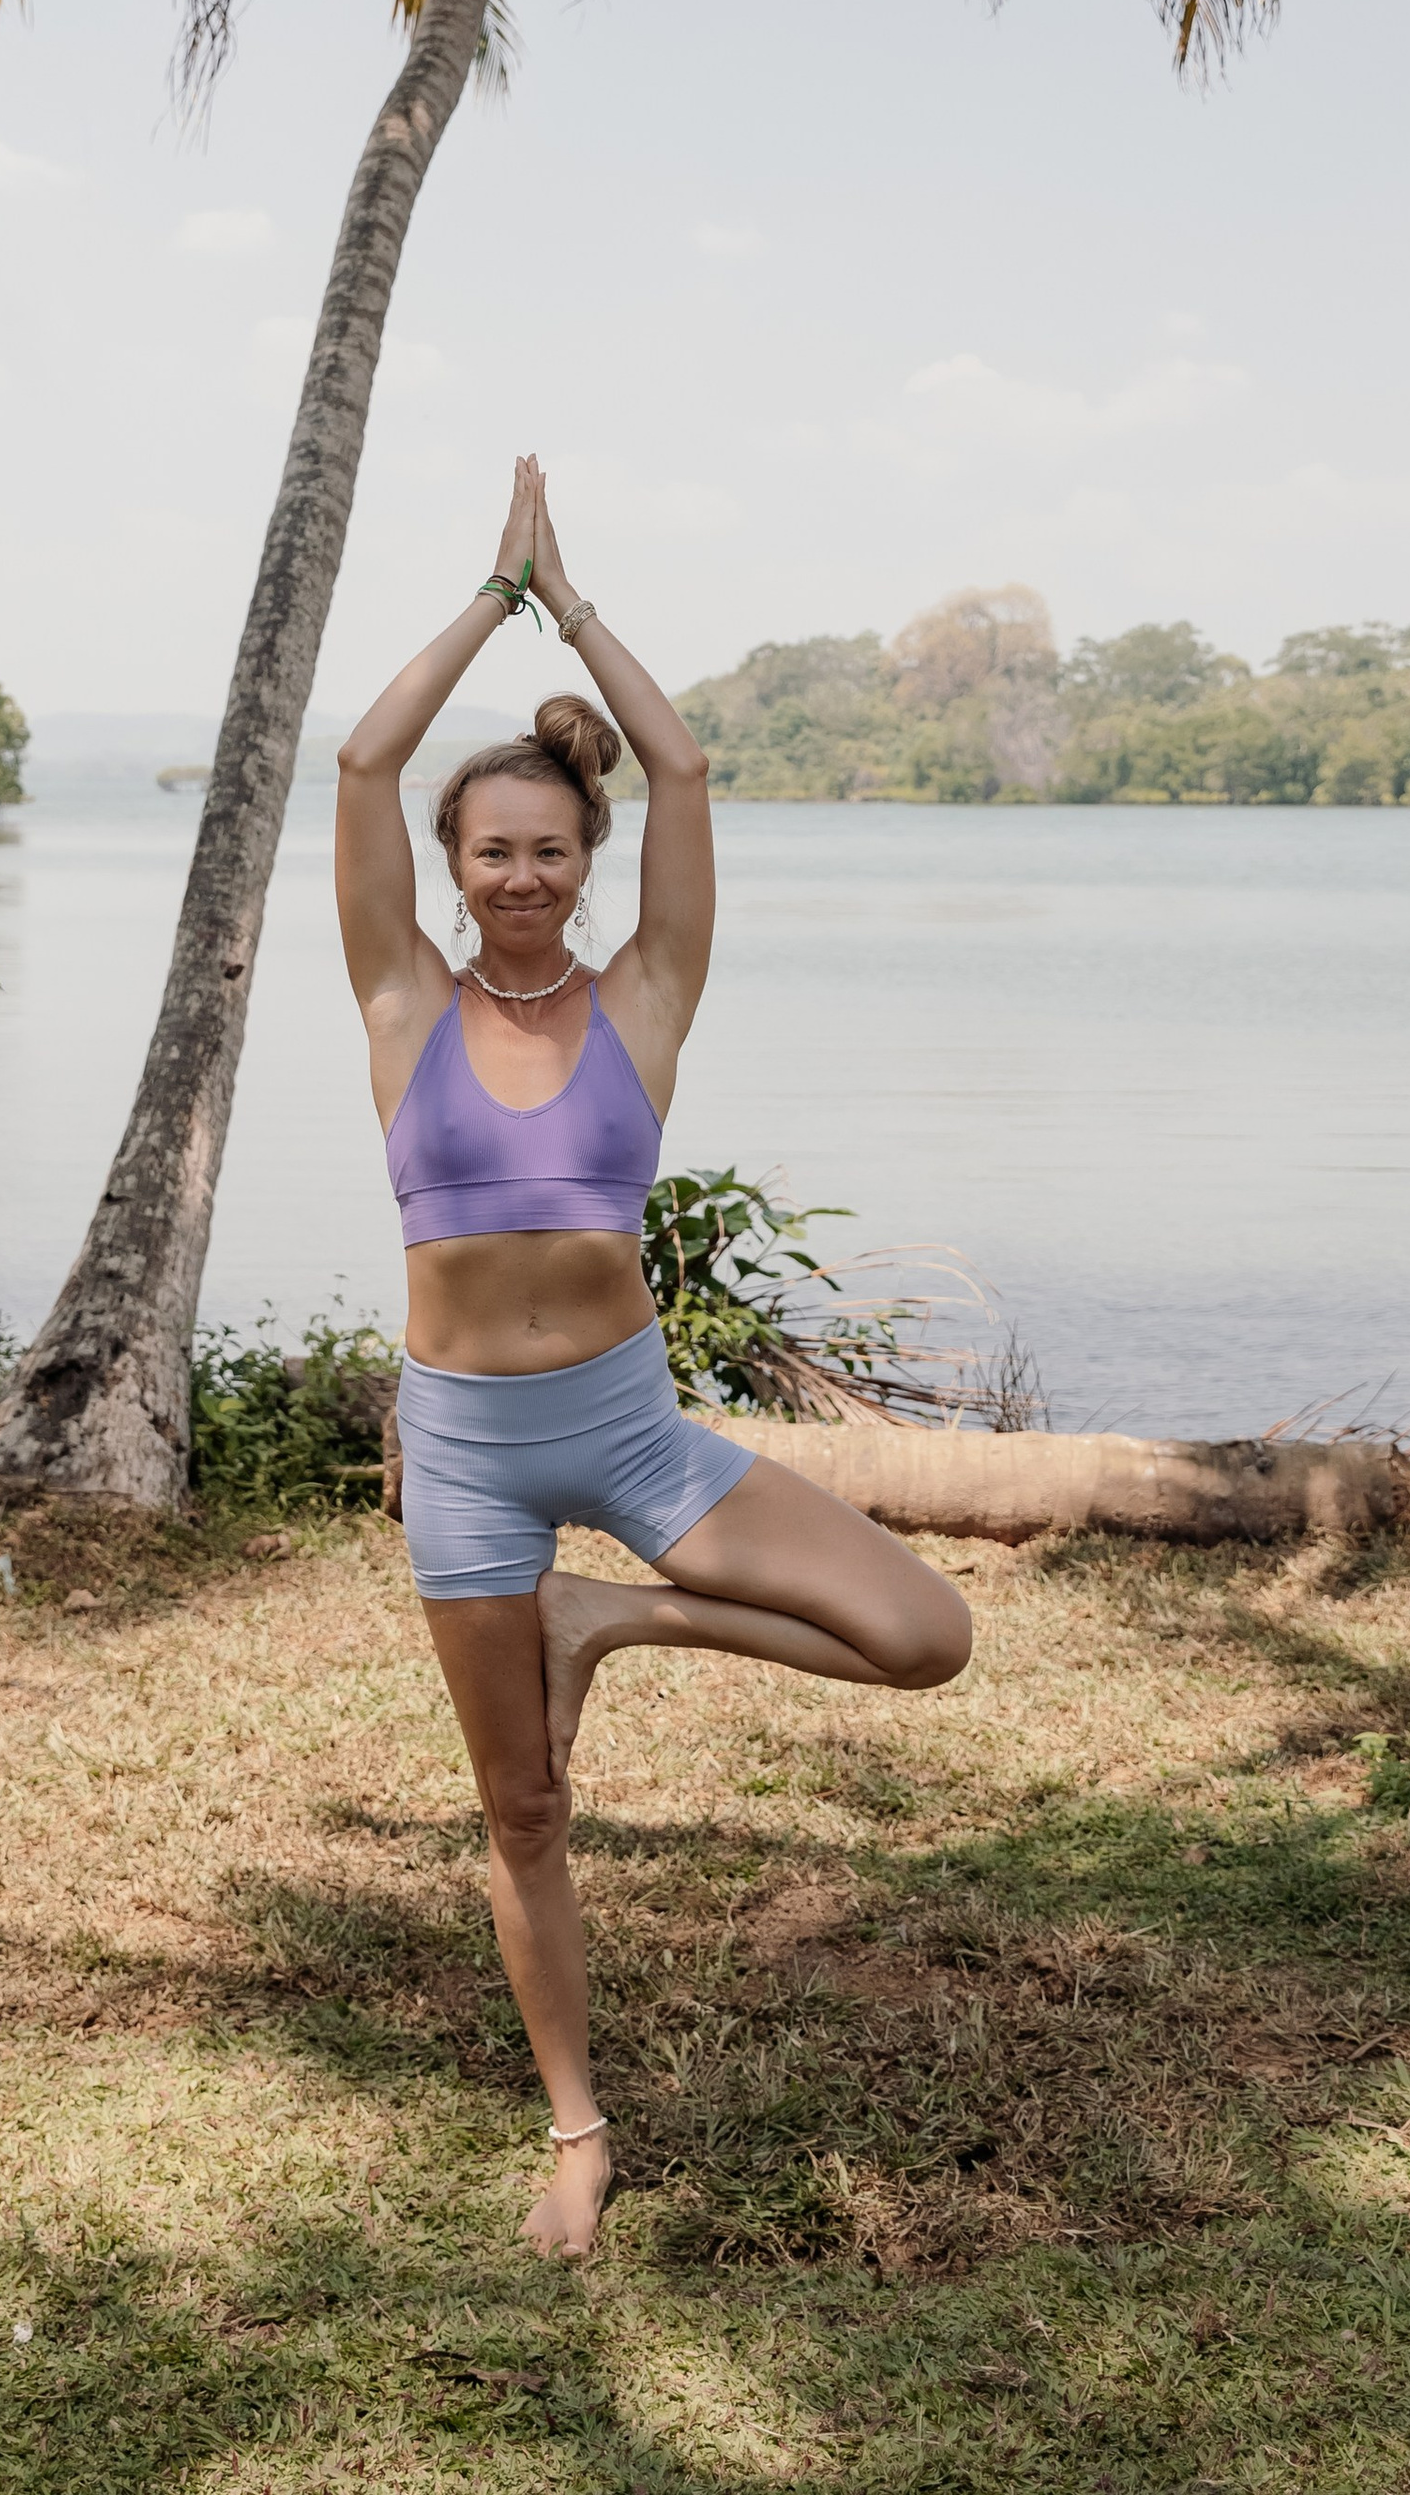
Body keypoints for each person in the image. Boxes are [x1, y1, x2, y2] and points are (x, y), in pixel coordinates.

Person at [335, 457, 972, 2262]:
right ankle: (575, 2134)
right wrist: (486, 593)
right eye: (494, 851)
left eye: (550, 848)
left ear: (582, 862)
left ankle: (609, 1616)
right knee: (523, 1807)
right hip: (463, 1449)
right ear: (454, 872)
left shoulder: (645, 998)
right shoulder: (402, 1004)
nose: (522, 874)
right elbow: (361, 766)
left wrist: (577, 603)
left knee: (927, 1634)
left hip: (629, 1434)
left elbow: (685, 767)